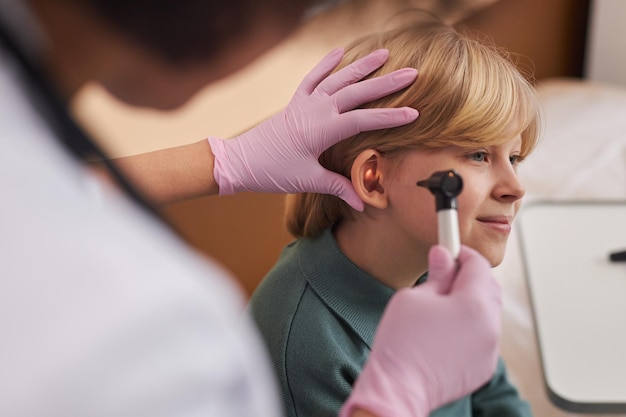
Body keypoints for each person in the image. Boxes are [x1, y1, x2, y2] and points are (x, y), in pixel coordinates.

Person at [1, 1, 503, 416]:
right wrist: (398, 394)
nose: (514, 186)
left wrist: (226, 161)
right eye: (478, 154)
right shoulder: (161, 336)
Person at [249, 17, 541, 417]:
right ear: (374, 179)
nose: (515, 187)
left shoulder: (436, 262)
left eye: (515, 158)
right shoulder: (305, 348)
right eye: (478, 155)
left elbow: (494, 396)